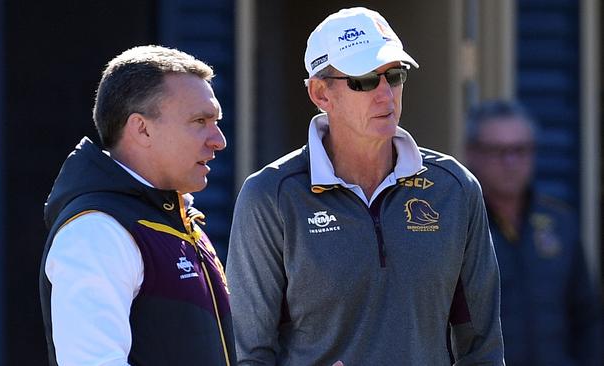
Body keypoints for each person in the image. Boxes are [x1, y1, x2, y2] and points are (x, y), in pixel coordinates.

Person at [226, 7, 504, 365]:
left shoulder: (455, 188)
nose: (386, 95)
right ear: (320, 94)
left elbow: (483, 348)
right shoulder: (270, 197)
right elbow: (247, 354)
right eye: (364, 81)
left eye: (394, 75)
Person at [39, 45, 235, 365]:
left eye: (216, 121)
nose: (219, 140)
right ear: (141, 129)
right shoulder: (97, 230)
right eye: (200, 120)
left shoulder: (178, 219)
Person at [465, 100, 601, 366]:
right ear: (472, 154)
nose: (511, 162)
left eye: (520, 150)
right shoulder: (458, 227)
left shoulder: (560, 223)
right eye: (497, 151)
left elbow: (588, 317)